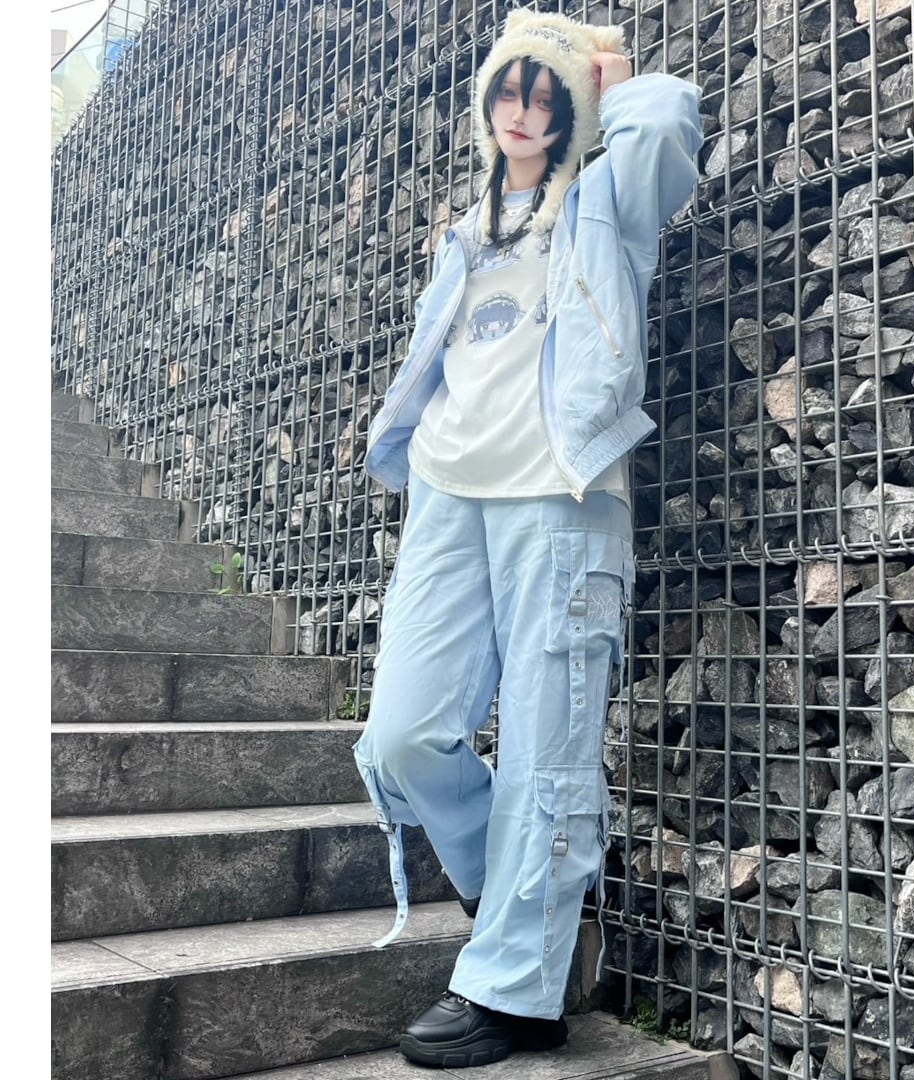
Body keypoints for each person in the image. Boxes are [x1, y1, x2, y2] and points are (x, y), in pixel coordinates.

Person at [352, 7, 703, 1069]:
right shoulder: (465, 234)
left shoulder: (604, 203)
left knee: (550, 743)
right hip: (449, 490)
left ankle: (516, 989)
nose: (523, 112)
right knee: (403, 734)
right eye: (510, 90)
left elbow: (667, 125)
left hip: (559, 491)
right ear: (486, 103)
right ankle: (506, 886)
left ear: (572, 114)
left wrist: (613, 76)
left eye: (547, 98)